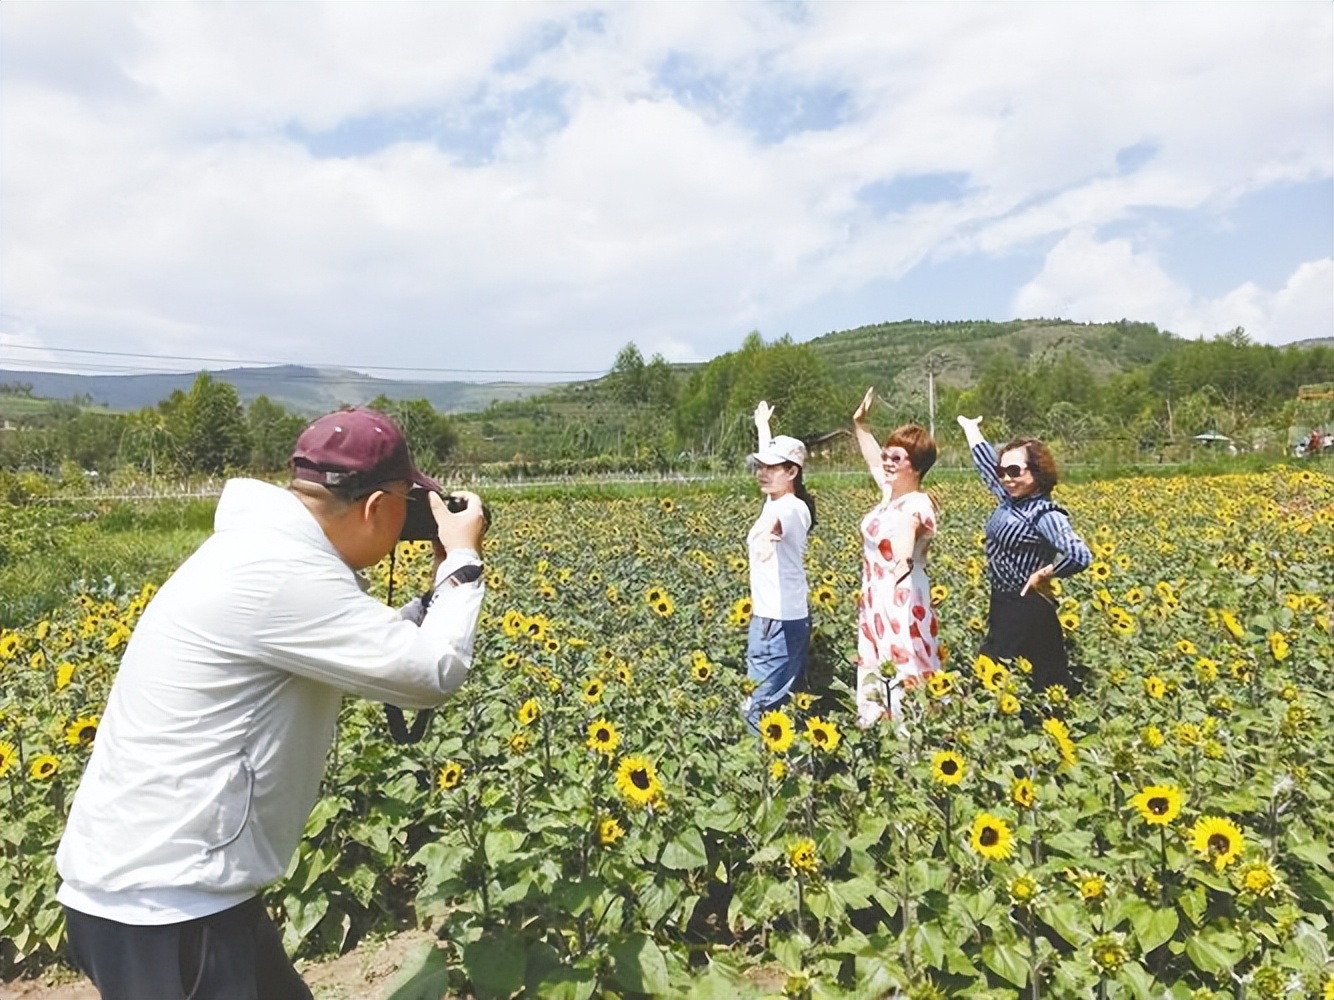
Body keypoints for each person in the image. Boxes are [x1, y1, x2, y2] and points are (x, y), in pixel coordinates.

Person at [55, 407, 488, 1000]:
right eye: (408, 504)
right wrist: (462, 565)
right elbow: (431, 673)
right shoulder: (280, 574)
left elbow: (365, 642)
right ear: (376, 507)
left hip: (177, 890)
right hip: (167, 905)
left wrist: (436, 590)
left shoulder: (261, 555)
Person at [956, 414, 1091, 699]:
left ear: (1037, 471)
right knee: (1041, 674)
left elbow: (1079, 555)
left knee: (996, 671)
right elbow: (986, 466)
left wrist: (1046, 573)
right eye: (1003, 471)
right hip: (1003, 601)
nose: (1006, 477)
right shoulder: (1010, 499)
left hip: (1027, 606)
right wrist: (971, 429)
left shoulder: (1044, 514)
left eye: (1015, 471)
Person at [850, 388, 941, 728]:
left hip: (902, 599)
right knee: (876, 662)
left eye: (896, 458)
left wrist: (902, 560)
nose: (887, 461)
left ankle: (910, 737)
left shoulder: (918, 505)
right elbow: (873, 460)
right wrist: (860, 424)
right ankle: (877, 729)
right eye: (887, 454)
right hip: (875, 595)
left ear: (915, 467)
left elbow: (908, 531)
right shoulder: (890, 494)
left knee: (904, 663)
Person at [742, 401, 814, 733]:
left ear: (792, 472)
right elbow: (774, 499)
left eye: (771, 467)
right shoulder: (775, 500)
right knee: (779, 704)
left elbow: (781, 520)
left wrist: (768, 537)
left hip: (776, 622)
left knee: (758, 706)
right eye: (760, 466)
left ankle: (761, 761)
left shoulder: (792, 509)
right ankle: (788, 759)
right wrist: (763, 428)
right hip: (783, 618)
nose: (762, 472)